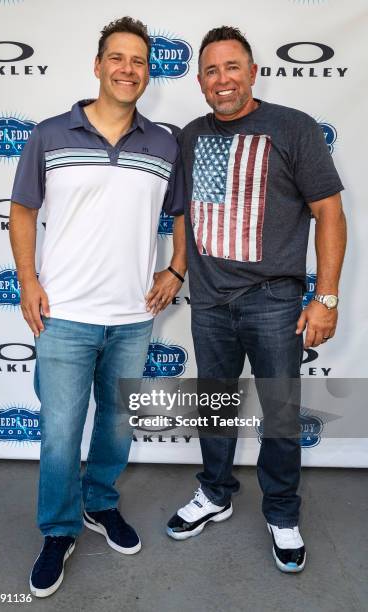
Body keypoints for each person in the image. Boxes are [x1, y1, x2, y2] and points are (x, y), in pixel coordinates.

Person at [10, 16, 186, 598]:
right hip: (62, 314)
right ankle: (58, 530)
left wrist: (176, 268)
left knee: (114, 425)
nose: (128, 69)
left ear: (148, 71)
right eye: (118, 58)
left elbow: (182, 213)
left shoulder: (163, 142)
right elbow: (23, 211)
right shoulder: (49, 134)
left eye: (138, 61)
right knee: (60, 432)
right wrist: (27, 279)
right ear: (98, 64)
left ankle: (99, 504)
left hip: (134, 316)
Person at [166, 26, 346, 573]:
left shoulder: (293, 128)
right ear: (200, 82)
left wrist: (327, 298)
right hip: (210, 302)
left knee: (281, 414)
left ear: (253, 71)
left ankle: (283, 512)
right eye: (212, 71)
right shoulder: (192, 136)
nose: (223, 80)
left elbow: (330, 215)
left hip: (273, 299)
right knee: (215, 408)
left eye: (233, 67)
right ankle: (215, 492)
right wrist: (178, 269)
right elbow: (184, 213)